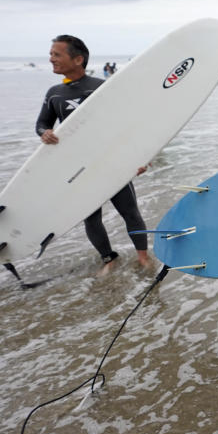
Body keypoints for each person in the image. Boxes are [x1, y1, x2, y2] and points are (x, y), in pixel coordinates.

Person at [37, 35, 152, 273]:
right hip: (78, 167)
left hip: (111, 161)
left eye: (56, 54)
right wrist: (45, 133)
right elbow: (41, 124)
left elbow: (129, 126)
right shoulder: (55, 93)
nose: (51, 59)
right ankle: (108, 258)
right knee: (91, 218)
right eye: (51, 54)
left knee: (129, 211)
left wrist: (142, 158)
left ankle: (143, 256)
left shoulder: (103, 88)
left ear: (78, 59)